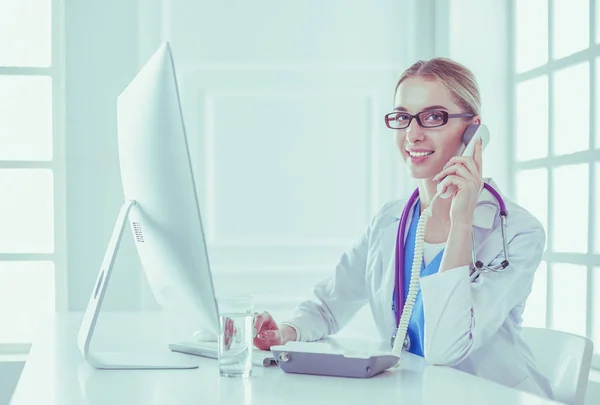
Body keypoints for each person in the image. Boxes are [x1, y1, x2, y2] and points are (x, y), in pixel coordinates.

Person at [252, 57, 553, 400]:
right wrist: (286, 333)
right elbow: (327, 306)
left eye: (433, 117)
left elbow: (445, 348)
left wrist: (462, 221)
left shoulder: (517, 233)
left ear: (473, 132)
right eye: (402, 117)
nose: (412, 133)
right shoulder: (390, 221)